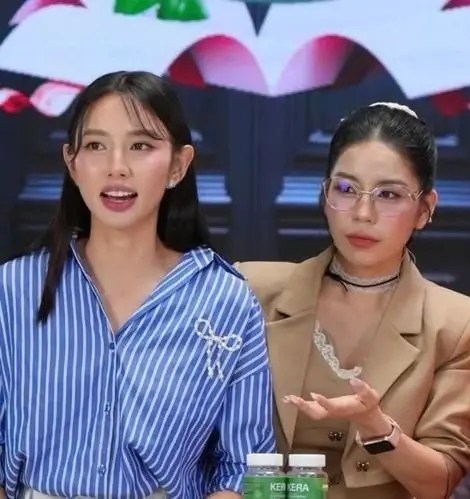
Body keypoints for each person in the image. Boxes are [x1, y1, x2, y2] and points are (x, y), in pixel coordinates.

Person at [0, 71, 276, 499]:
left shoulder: (226, 301)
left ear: (178, 165)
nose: (117, 167)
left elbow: (243, 466)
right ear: (72, 162)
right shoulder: (14, 290)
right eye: (96, 146)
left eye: (141, 146)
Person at [236, 102, 470, 499]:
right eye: (346, 189)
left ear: (425, 210)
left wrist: (377, 428)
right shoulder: (252, 289)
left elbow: (440, 481)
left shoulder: (457, 323)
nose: (363, 212)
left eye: (389, 194)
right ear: (325, 194)